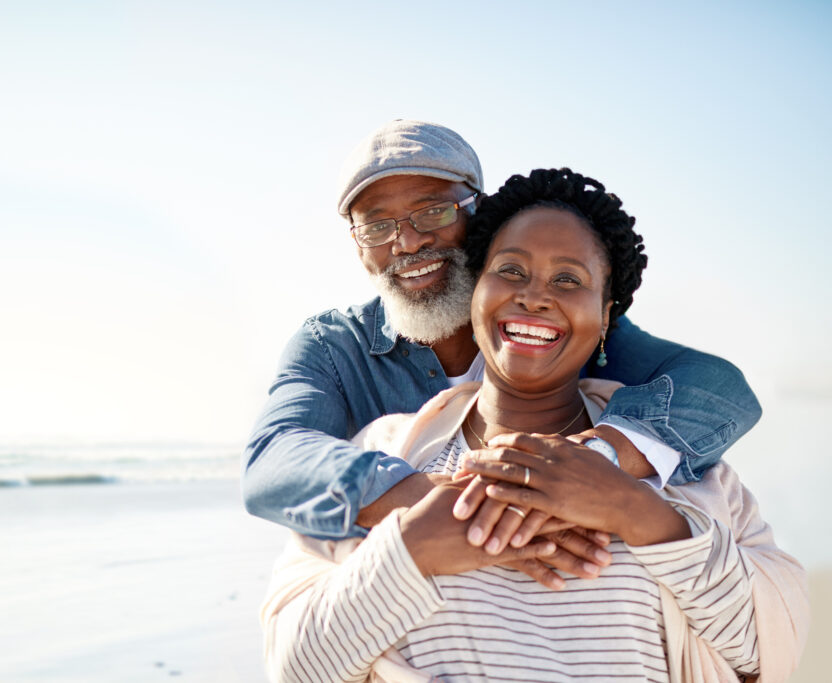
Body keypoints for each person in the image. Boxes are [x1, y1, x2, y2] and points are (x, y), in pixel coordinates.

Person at [260, 168, 808, 682]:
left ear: (607, 317)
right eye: (511, 271)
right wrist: (412, 547)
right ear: (475, 293)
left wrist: (632, 507)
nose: (535, 295)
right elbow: (297, 664)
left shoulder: (683, 469)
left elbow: (766, 646)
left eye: (568, 279)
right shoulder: (383, 456)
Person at [242, 120, 762, 566]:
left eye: (433, 212)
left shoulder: (557, 327)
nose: (408, 241)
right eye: (377, 227)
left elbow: (718, 389)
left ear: (478, 216)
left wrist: (595, 460)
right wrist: (440, 502)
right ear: (358, 249)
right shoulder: (333, 347)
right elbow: (273, 460)